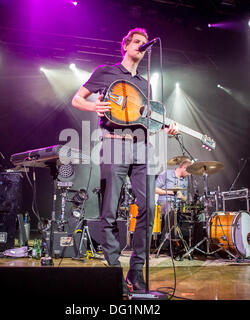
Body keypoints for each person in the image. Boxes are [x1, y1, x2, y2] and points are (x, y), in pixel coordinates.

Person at [71, 27, 178, 294]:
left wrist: (166, 127)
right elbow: (77, 99)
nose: (142, 46)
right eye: (138, 42)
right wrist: (93, 106)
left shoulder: (145, 83)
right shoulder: (106, 72)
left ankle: (136, 271)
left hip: (142, 148)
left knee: (148, 208)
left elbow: (148, 121)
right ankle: (113, 269)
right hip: (114, 144)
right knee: (109, 210)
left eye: (144, 43)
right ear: (126, 45)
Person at [155, 159, 192, 250]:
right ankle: (165, 243)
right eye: (189, 171)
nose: (190, 174)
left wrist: (182, 197)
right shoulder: (166, 174)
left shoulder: (185, 180)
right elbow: (154, 189)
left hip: (179, 204)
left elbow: (186, 198)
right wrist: (170, 192)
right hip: (165, 202)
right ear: (184, 168)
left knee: (196, 213)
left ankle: (183, 241)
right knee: (170, 208)